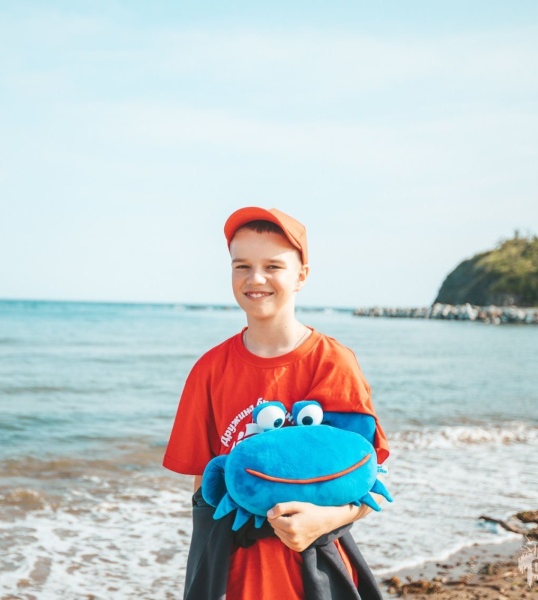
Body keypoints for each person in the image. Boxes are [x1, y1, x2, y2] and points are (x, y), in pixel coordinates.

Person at [162, 207, 390, 600]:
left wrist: (323, 520)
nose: (255, 279)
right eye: (242, 266)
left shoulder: (332, 363)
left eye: (273, 266)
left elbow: (368, 479)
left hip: (313, 574)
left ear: (301, 275)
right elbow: (203, 493)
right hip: (234, 576)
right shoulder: (209, 370)